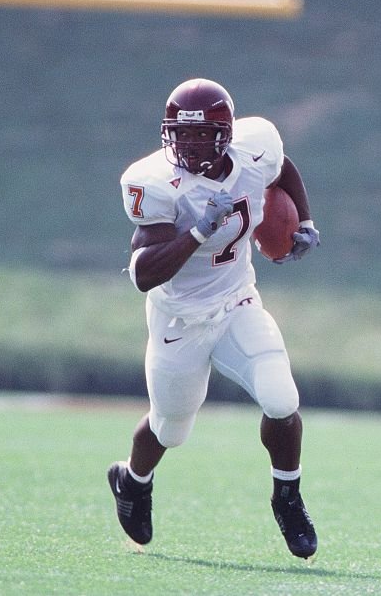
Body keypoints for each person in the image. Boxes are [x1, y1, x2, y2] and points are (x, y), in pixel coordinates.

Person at [107, 77, 321, 560]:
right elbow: (144, 273)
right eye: (181, 135)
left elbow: (282, 168)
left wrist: (303, 221)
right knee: (170, 427)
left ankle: (287, 496)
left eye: (202, 134)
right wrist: (200, 231)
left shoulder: (255, 146)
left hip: (236, 301)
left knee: (282, 398)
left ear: (225, 134)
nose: (189, 145)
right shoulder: (153, 181)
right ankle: (132, 480)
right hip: (179, 319)